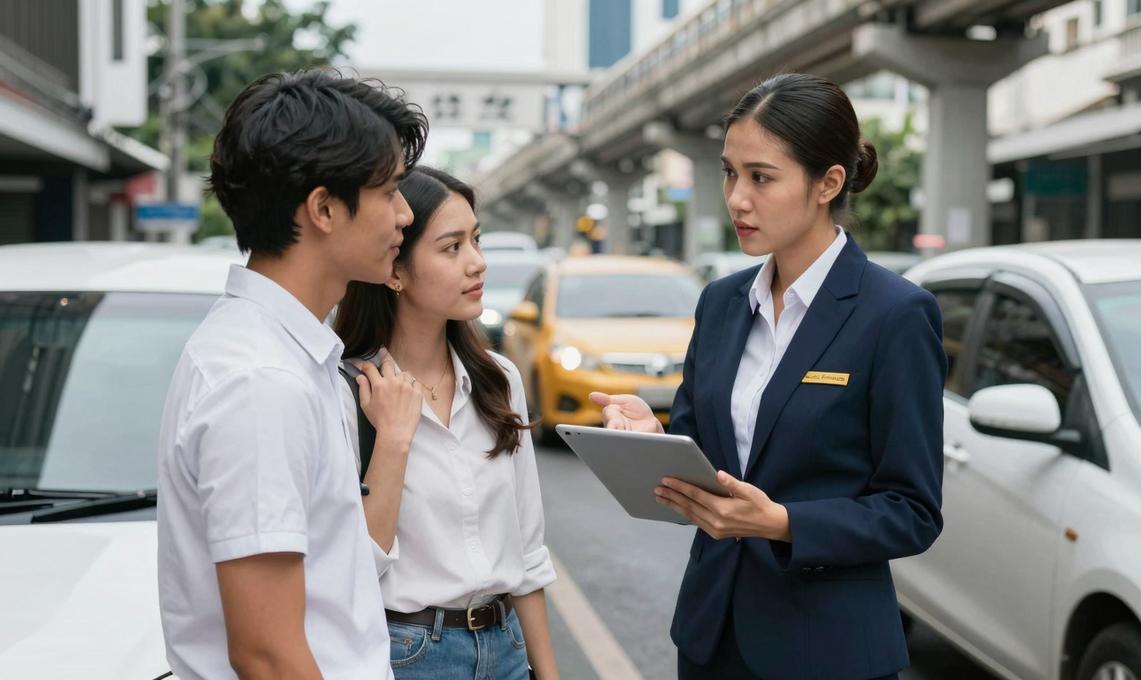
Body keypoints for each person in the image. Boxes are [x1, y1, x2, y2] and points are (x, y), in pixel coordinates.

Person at [590, 72, 947, 680]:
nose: (736, 198)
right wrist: (655, 439)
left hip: (827, 651)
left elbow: (911, 510)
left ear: (827, 183)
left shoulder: (895, 315)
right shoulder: (721, 303)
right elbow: (710, 461)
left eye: (761, 177)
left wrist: (782, 523)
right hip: (712, 636)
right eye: (730, 173)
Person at [157, 69, 427, 679]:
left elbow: (331, 577)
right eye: (390, 192)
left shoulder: (288, 354)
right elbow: (268, 655)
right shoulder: (261, 380)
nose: (405, 214)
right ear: (324, 208)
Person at [333, 166, 559, 680]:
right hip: (407, 654)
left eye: (476, 240)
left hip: (506, 648)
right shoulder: (347, 391)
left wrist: (547, 674)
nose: (478, 263)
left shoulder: (498, 379)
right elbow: (355, 566)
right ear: (395, 269)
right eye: (452, 247)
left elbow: (528, 552)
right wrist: (393, 440)